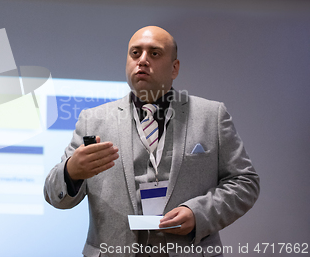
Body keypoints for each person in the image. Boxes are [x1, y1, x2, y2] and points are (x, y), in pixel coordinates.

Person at [44, 26, 260, 257]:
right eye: (135, 53)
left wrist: (199, 213)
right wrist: (71, 172)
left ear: (174, 68)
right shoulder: (93, 120)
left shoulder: (211, 116)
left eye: (154, 53)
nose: (143, 60)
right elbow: (54, 194)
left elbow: (245, 182)